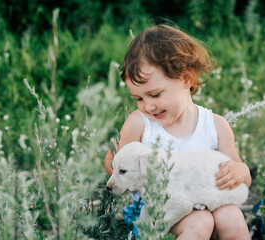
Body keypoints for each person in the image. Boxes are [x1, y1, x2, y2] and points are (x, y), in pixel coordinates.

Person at [104, 24, 251, 240]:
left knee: (231, 216)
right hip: (160, 209)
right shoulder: (140, 123)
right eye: (138, 99)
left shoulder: (215, 126)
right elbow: (112, 162)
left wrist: (240, 172)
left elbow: (238, 172)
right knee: (200, 221)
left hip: (206, 198)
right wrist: (140, 179)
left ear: (186, 79)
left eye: (155, 94)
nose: (148, 106)